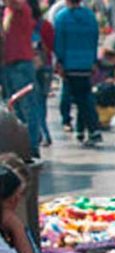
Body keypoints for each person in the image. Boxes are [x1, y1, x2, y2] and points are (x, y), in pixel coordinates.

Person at [53, 0, 101, 146]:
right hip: (86, 63)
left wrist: (59, 62)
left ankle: (90, 129)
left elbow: (59, 42)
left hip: (69, 63)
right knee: (84, 97)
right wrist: (93, 61)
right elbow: (95, 39)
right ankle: (83, 130)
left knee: (75, 98)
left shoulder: (61, 17)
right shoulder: (90, 16)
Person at [3, 0, 43, 157]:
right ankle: (24, 147)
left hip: (19, 63)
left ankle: (31, 147)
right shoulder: (10, 10)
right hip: (12, 63)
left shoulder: (19, 6)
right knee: (17, 110)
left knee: (27, 108)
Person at [29, 0, 55, 149]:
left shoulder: (24, 25)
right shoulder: (46, 25)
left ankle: (42, 134)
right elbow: (51, 46)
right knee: (42, 101)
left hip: (30, 66)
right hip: (46, 66)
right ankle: (44, 133)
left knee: (33, 101)